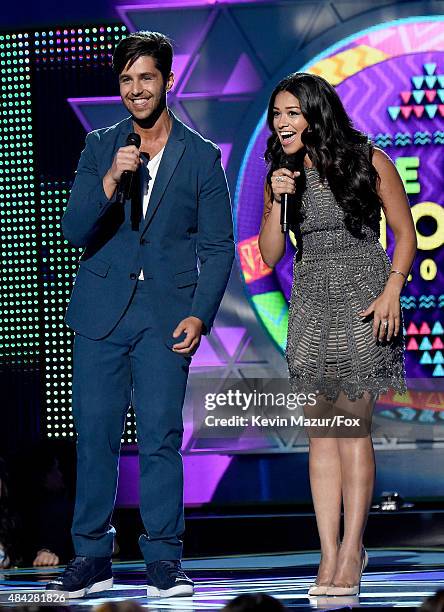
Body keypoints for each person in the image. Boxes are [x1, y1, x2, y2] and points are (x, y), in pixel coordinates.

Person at [46, 31, 234, 598]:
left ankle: (162, 560)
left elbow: (219, 247)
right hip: (101, 314)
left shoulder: (199, 156)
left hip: (165, 317)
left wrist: (200, 315)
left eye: (145, 78)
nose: (135, 90)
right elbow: (74, 229)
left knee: (160, 438)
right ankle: (92, 555)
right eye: (126, 80)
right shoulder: (101, 146)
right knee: (94, 437)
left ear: (168, 81)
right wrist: (109, 180)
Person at [259, 73, 416, 596]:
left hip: (364, 297)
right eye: (276, 115)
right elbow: (272, 254)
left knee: (351, 428)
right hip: (310, 304)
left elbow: (404, 231)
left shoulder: (367, 159)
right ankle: (327, 554)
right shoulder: (280, 175)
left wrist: (393, 289)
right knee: (321, 434)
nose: (282, 124)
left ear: (315, 113)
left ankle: (353, 551)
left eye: (291, 113)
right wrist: (278, 200)